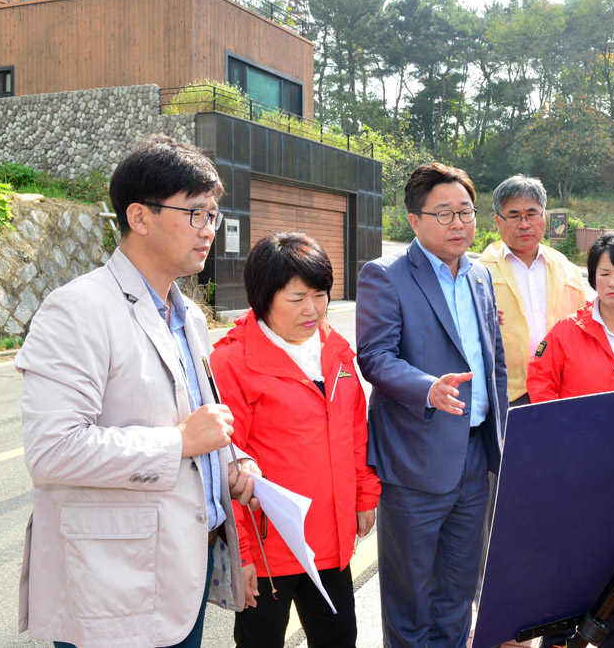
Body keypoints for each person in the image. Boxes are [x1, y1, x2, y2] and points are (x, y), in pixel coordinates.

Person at [15, 135, 260, 648]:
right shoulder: (78, 309)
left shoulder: (188, 313)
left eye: (213, 215)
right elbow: (53, 451)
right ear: (139, 216)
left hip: (180, 567)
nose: (208, 229)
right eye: (195, 213)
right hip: (114, 584)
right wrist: (181, 443)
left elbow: (190, 415)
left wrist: (229, 464)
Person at [356, 162, 507, 648]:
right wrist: (426, 387)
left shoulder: (480, 276)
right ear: (414, 220)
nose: (459, 223)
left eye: (465, 211)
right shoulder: (387, 275)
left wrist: (503, 435)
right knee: (410, 595)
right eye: (443, 213)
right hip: (415, 459)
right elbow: (375, 357)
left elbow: (493, 361)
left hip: (475, 455)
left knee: (460, 589)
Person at [209, 232, 380, 648]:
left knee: (339, 640)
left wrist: (364, 496)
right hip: (268, 552)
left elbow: (357, 430)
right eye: (297, 297)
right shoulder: (231, 363)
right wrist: (242, 554)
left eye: (320, 295)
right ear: (263, 297)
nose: (313, 310)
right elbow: (224, 464)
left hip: (332, 544)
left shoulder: (335, 352)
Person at [478, 175, 587, 406]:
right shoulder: (478, 273)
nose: (524, 224)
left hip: (560, 389)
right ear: (498, 221)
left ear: (544, 217)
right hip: (505, 394)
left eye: (531, 214)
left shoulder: (568, 270)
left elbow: (584, 329)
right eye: (514, 216)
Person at [527, 231, 614, 403]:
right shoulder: (567, 329)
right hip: (576, 428)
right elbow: (540, 378)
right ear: (594, 280)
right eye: (604, 274)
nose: (612, 282)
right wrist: (558, 423)